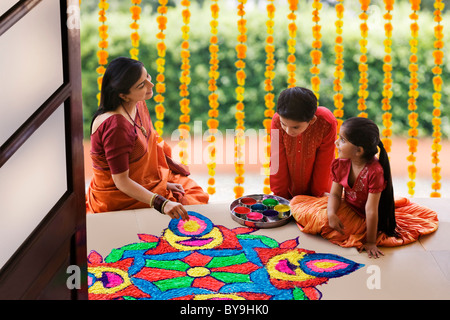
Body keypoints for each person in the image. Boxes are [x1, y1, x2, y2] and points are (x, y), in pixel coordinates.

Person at [291, 117, 439, 258]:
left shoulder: (375, 172)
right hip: (346, 205)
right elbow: (335, 195)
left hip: (365, 216)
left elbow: (371, 210)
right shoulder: (340, 163)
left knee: (336, 229)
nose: (336, 142)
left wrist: (371, 242)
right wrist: (331, 213)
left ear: (359, 151)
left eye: (342, 140)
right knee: (301, 206)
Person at [86, 57, 209, 220]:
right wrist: (162, 203)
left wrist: (163, 183)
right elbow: (121, 181)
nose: (151, 85)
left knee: (192, 193)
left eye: (148, 77)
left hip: (145, 181)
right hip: (120, 197)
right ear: (124, 95)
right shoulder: (115, 126)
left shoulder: (137, 103)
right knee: (189, 210)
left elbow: (149, 150)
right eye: (141, 85)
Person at [270, 86, 337, 198]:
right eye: (284, 124)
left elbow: (325, 162)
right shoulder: (277, 120)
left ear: (312, 120)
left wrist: (317, 196)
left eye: (295, 127)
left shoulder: (326, 122)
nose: (288, 131)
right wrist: (281, 197)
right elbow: (277, 160)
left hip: (320, 189)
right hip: (288, 187)